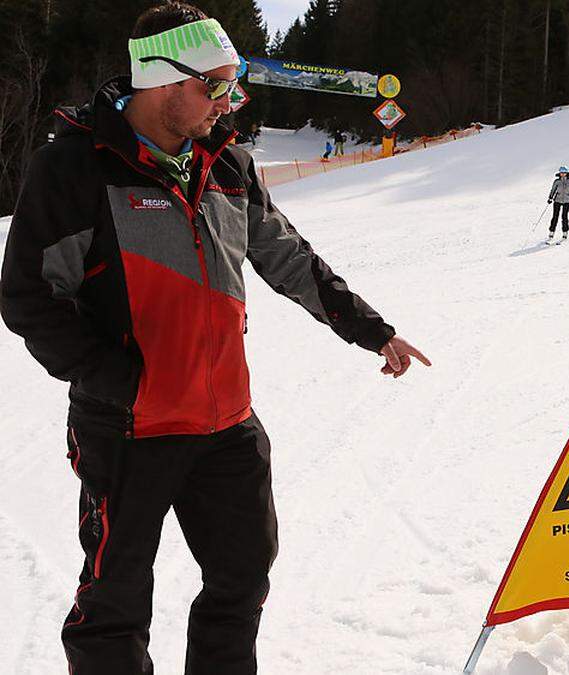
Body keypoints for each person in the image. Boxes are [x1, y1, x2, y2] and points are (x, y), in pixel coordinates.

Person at [0, 3, 431, 673]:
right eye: (218, 85)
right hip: (128, 427)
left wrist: (371, 330)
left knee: (241, 580)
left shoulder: (228, 164)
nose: (231, 102)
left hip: (226, 425)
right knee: (113, 605)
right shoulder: (75, 168)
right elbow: (28, 294)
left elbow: (290, 257)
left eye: (234, 85)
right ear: (164, 81)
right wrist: (116, 378)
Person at [546, 166, 569, 241]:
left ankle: (565, 232)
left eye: (564, 173)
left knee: (564, 216)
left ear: (567, 173)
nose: (563, 174)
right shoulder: (557, 181)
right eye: (561, 173)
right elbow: (553, 190)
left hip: (567, 201)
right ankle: (551, 232)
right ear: (559, 173)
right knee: (555, 216)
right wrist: (550, 198)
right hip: (557, 200)